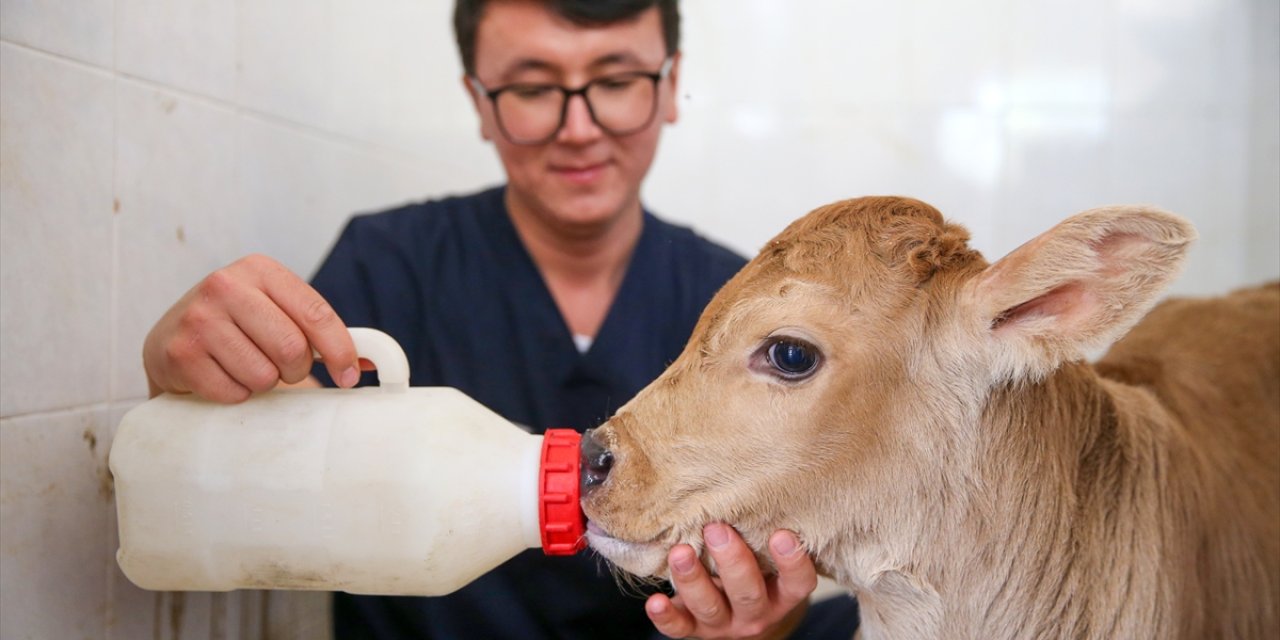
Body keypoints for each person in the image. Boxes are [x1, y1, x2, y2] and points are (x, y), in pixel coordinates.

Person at [142, 0, 860, 638]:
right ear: (480, 103)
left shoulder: (745, 320)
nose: (578, 129)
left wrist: (769, 619)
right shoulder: (389, 265)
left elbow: (784, 557)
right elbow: (253, 474)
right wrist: (188, 385)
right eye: (531, 89)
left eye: (615, 83)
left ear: (671, 87)